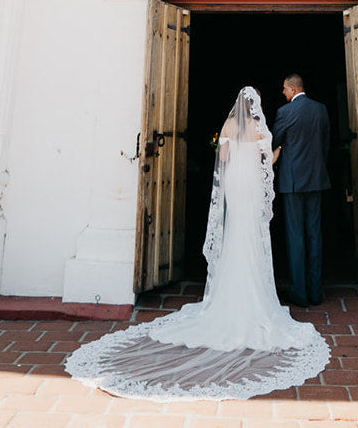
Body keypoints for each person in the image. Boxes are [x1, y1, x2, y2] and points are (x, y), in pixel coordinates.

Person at [64, 86, 329, 400]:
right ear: (254, 106)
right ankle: (259, 293)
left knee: (233, 234)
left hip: (233, 184)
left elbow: (223, 157)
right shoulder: (260, 127)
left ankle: (226, 292)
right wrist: (279, 152)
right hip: (252, 185)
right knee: (254, 238)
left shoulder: (230, 126)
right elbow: (267, 162)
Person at [271, 73, 330, 308]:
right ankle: (316, 292)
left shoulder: (285, 113)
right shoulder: (321, 109)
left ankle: (299, 294)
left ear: (293, 89)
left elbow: (275, 140)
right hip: (316, 179)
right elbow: (325, 144)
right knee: (314, 234)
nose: (283, 93)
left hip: (293, 182)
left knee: (296, 237)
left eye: (285, 89)